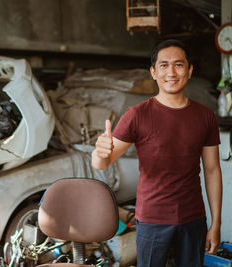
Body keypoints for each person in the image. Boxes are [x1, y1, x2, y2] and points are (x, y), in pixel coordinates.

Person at [92, 39, 222, 267]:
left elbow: (212, 170)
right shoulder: (137, 115)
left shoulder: (206, 117)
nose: (171, 72)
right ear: (153, 72)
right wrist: (101, 151)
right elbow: (101, 164)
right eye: (163, 65)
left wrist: (216, 223)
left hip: (193, 218)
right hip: (152, 219)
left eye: (178, 65)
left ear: (190, 71)